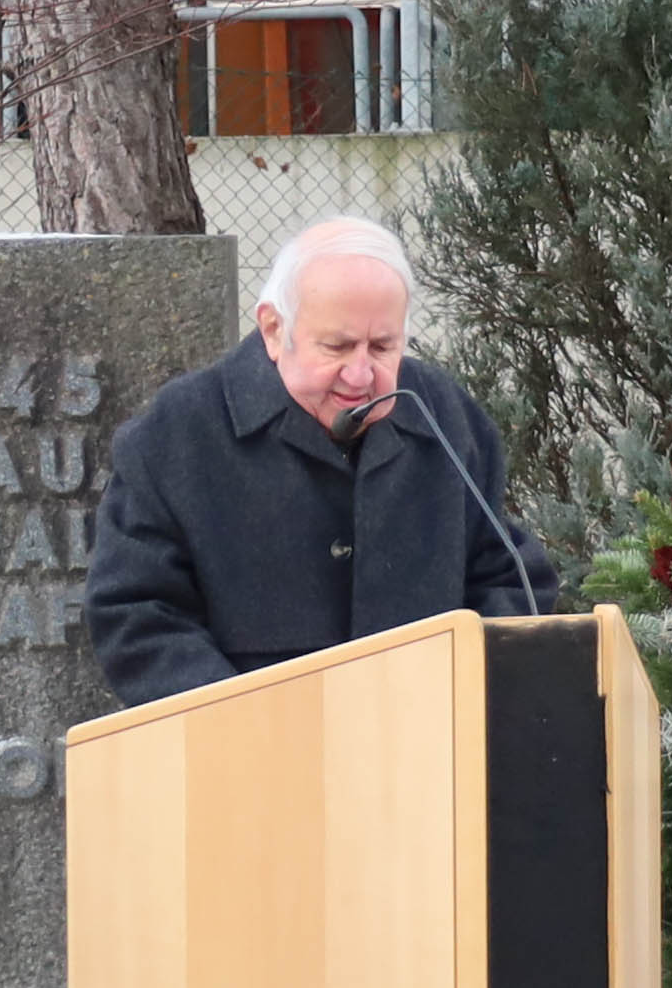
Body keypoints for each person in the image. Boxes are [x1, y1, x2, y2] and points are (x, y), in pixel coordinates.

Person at [86, 216, 558, 706]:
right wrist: (237, 718)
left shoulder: (444, 415)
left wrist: (458, 689)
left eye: (382, 347)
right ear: (274, 329)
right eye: (338, 346)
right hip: (248, 739)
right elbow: (136, 612)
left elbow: (510, 579)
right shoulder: (179, 431)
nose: (360, 375)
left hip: (426, 731)